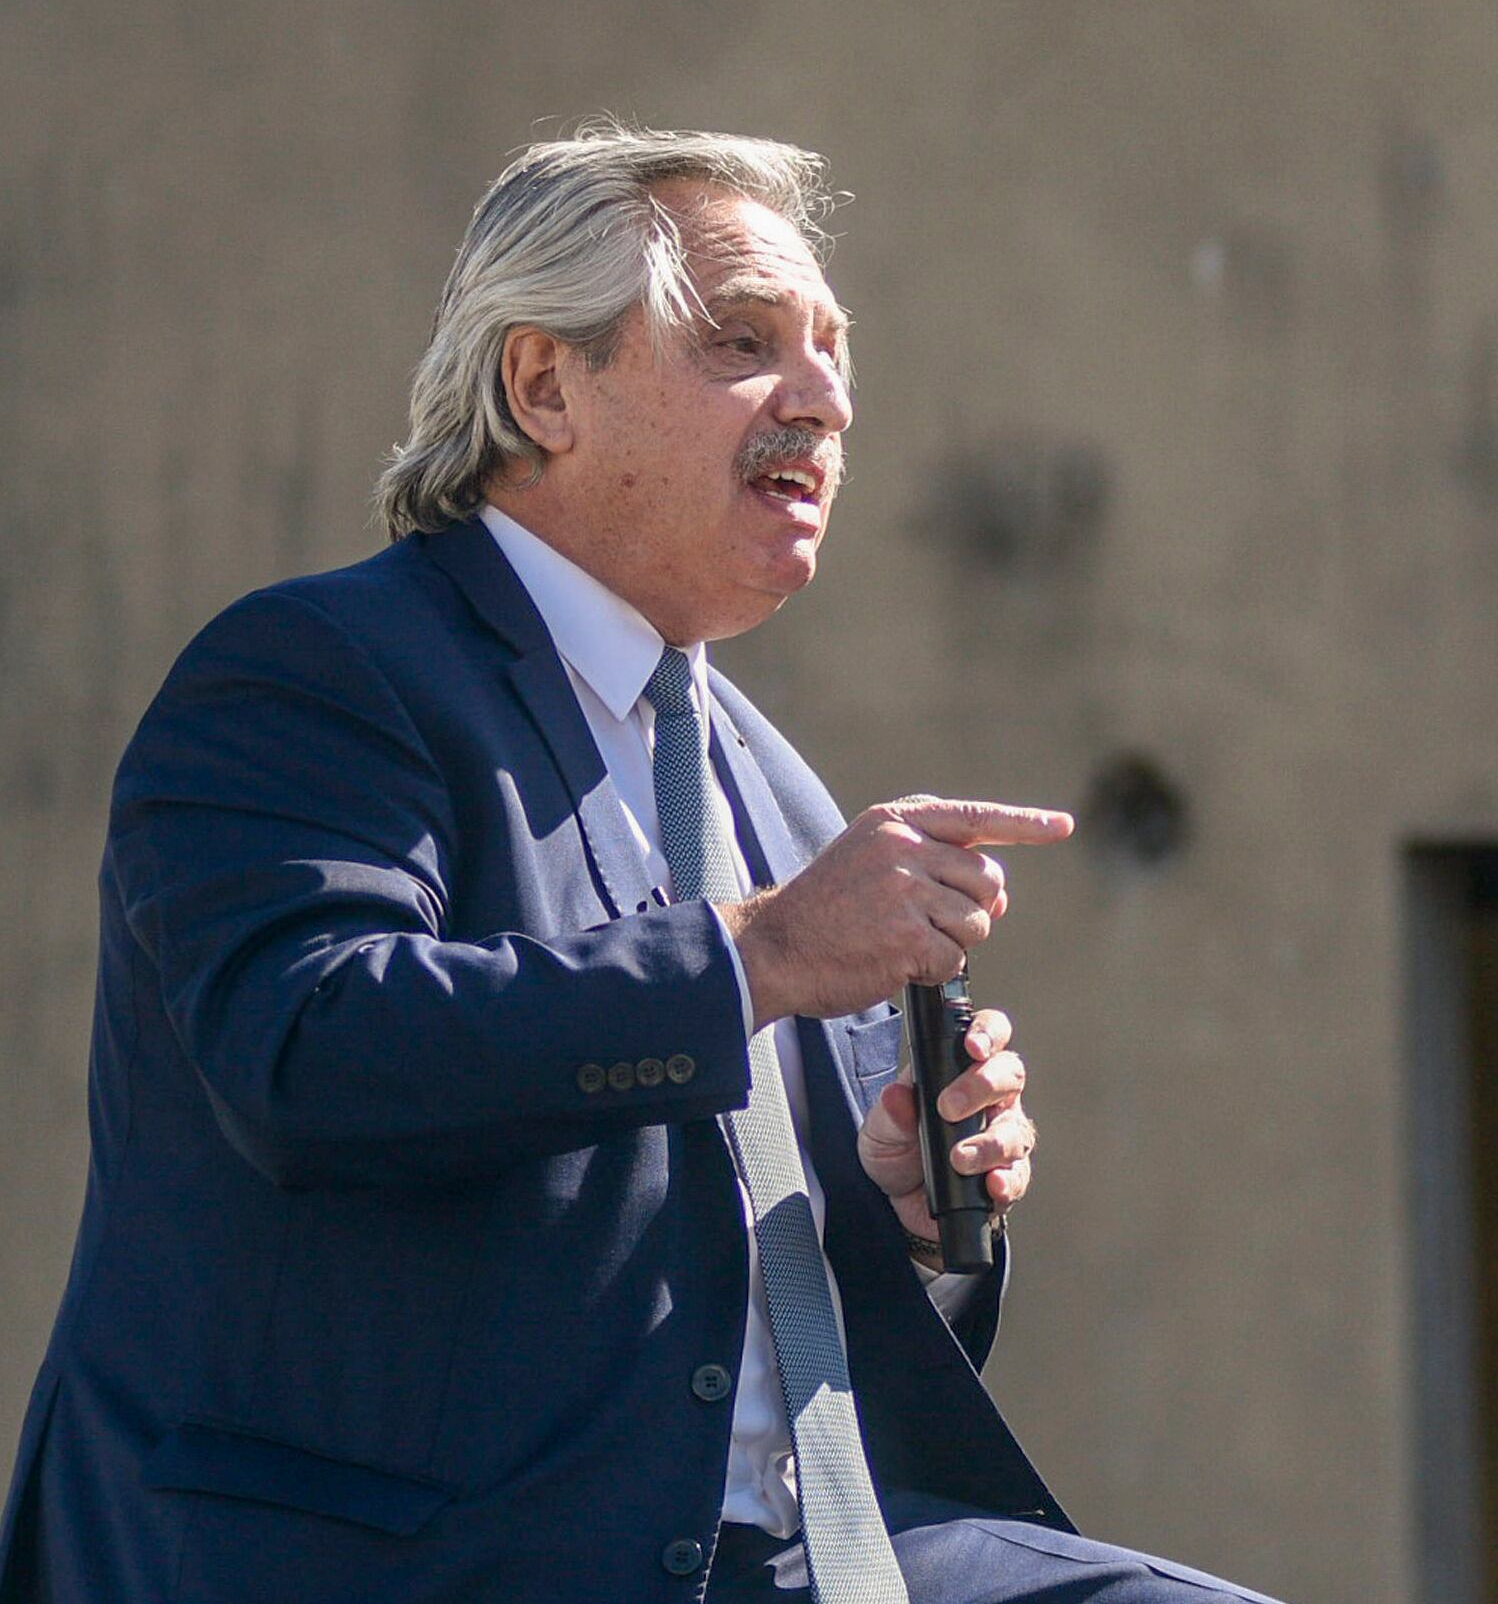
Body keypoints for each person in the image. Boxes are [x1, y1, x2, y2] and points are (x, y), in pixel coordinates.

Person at [0, 124, 1277, 1604]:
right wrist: (761, 956)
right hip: (413, 1558)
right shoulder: (320, 670)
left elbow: (743, 1267)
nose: (824, 398)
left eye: (833, 351)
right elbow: (308, 1050)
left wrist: (906, 1212)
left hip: (798, 1550)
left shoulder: (769, 780)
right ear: (544, 387)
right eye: (742, 342)